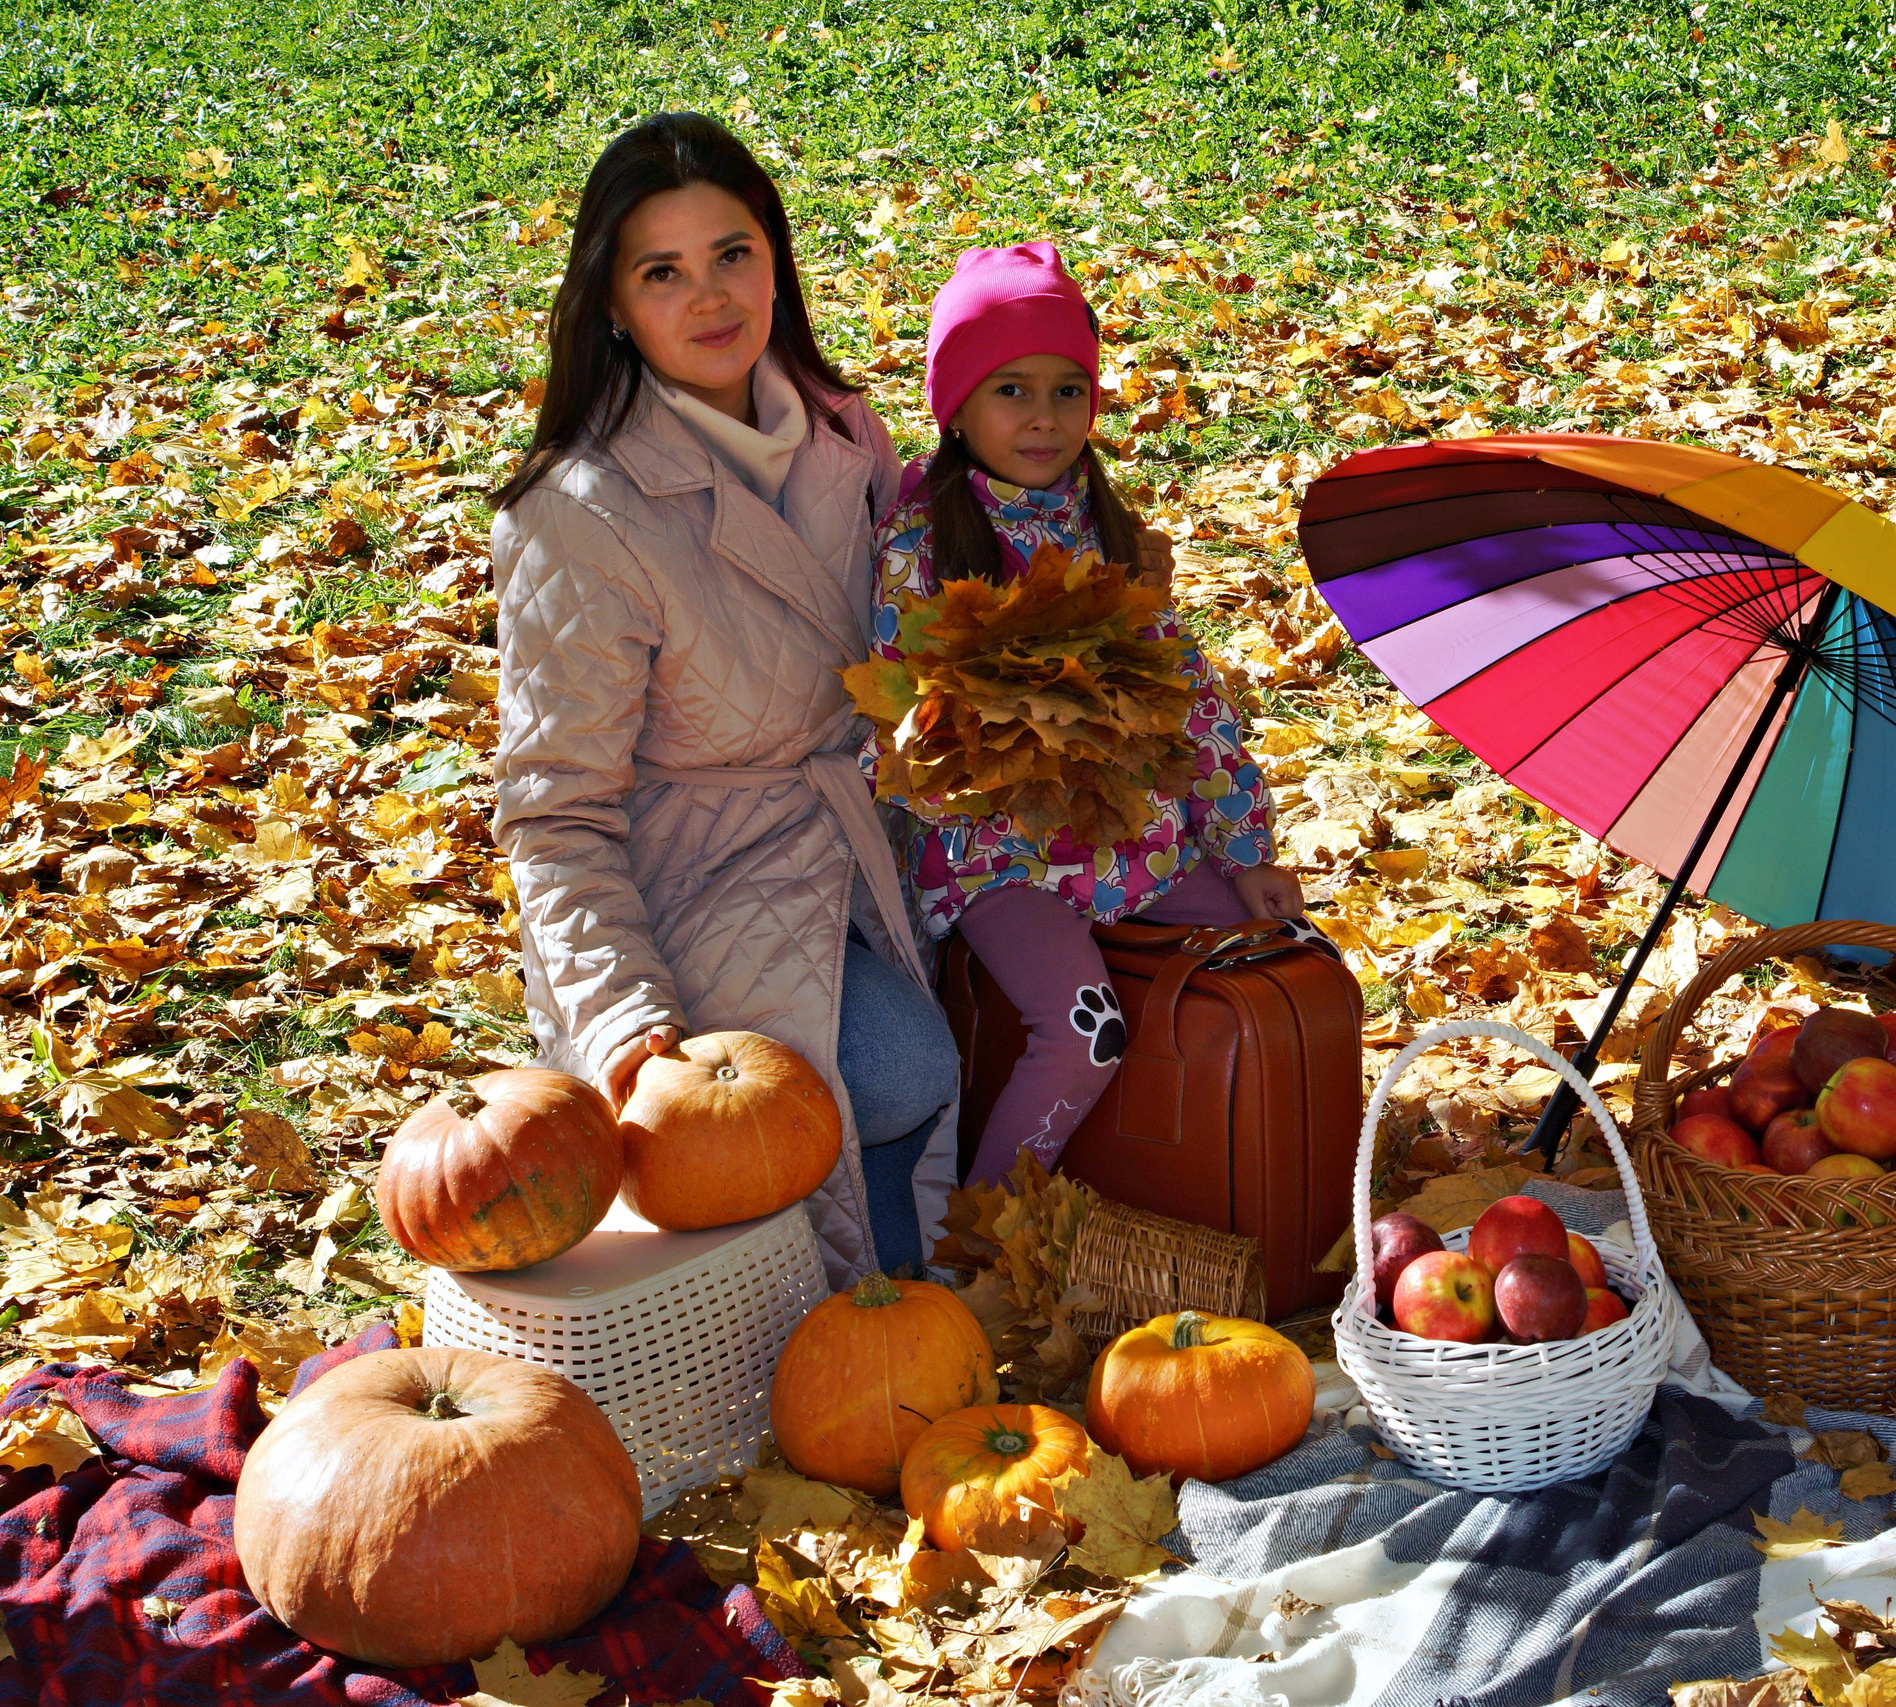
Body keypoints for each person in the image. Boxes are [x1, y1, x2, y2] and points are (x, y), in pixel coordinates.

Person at [487, 113, 962, 1284]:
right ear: (612, 301)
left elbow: (906, 635)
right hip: (696, 883)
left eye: (733, 254)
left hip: (866, 835)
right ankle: (873, 1333)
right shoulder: (581, 515)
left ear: (775, 260)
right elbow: (554, 816)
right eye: (663, 272)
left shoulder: (844, 430)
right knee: (898, 1069)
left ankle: (927, 1305)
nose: (710, 298)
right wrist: (625, 1025)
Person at [871, 241, 1315, 1188]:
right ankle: (986, 1237)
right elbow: (913, 741)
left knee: (1277, 954)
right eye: (1012, 390)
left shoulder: (1107, 535)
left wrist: (1244, 855)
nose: (1043, 417)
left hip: (1129, 838)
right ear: (957, 406)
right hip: (996, 858)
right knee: (1086, 1028)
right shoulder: (921, 548)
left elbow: (1193, 707)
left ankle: (1201, 1188)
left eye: (1069, 390)